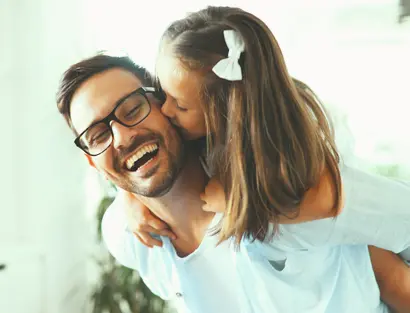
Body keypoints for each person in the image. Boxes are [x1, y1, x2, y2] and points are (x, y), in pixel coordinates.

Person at [57, 54, 409, 312]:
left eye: (132, 110)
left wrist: (264, 205)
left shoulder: (282, 196)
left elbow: (396, 269)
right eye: (98, 134)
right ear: (92, 161)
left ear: (166, 106)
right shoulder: (129, 239)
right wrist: (126, 195)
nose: (121, 137)